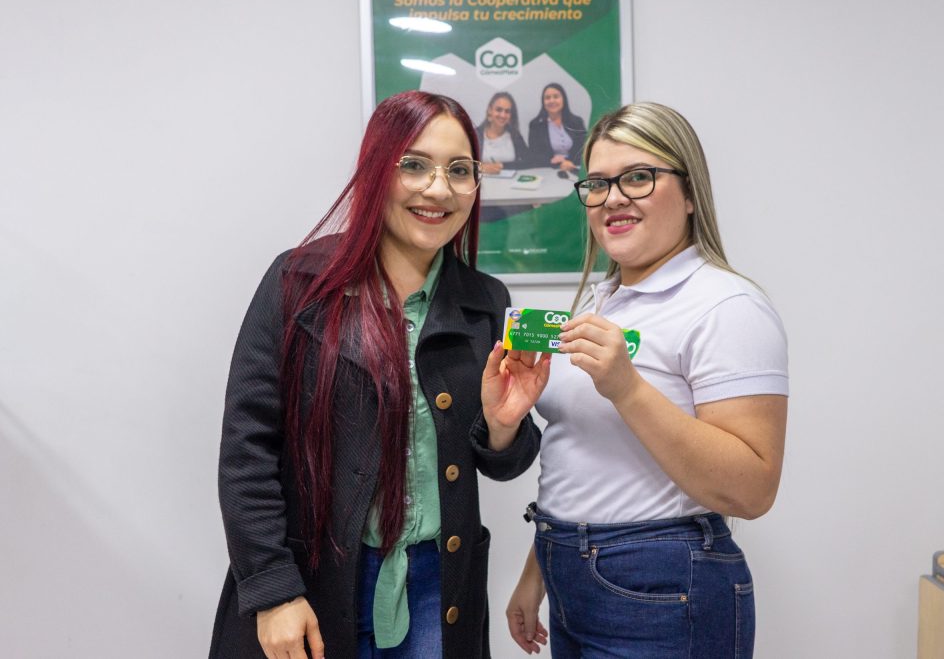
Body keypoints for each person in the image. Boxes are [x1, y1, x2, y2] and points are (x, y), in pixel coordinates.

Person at [209, 90, 549, 659]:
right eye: (415, 165)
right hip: (315, 583)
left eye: (459, 170)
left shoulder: (486, 301)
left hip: (438, 586)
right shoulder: (298, 283)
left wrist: (504, 426)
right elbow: (247, 449)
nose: (438, 190)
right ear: (376, 172)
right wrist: (272, 590)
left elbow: (504, 464)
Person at [503, 102, 789, 658]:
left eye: (638, 177)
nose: (613, 198)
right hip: (570, 571)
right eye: (598, 183)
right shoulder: (603, 301)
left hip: (660, 587)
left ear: (690, 193)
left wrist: (628, 389)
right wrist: (536, 573)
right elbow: (584, 456)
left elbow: (753, 490)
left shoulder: (727, 306)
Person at [525, 83, 586, 171]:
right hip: (548, 170)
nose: (552, 101)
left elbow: (583, 151)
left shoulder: (577, 122)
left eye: (556, 97)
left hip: (573, 168)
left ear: (563, 99)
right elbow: (534, 156)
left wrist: (567, 161)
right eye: (547, 98)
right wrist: (554, 162)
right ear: (543, 102)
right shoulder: (536, 125)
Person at [475, 91, 529, 174]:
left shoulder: (515, 136)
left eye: (507, 111)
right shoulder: (475, 135)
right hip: (482, 182)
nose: (503, 115)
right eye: (499, 110)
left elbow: (528, 161)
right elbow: (461, 163)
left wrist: (502, 165)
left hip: (511, 182)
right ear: (490, 110)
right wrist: (480, 167)